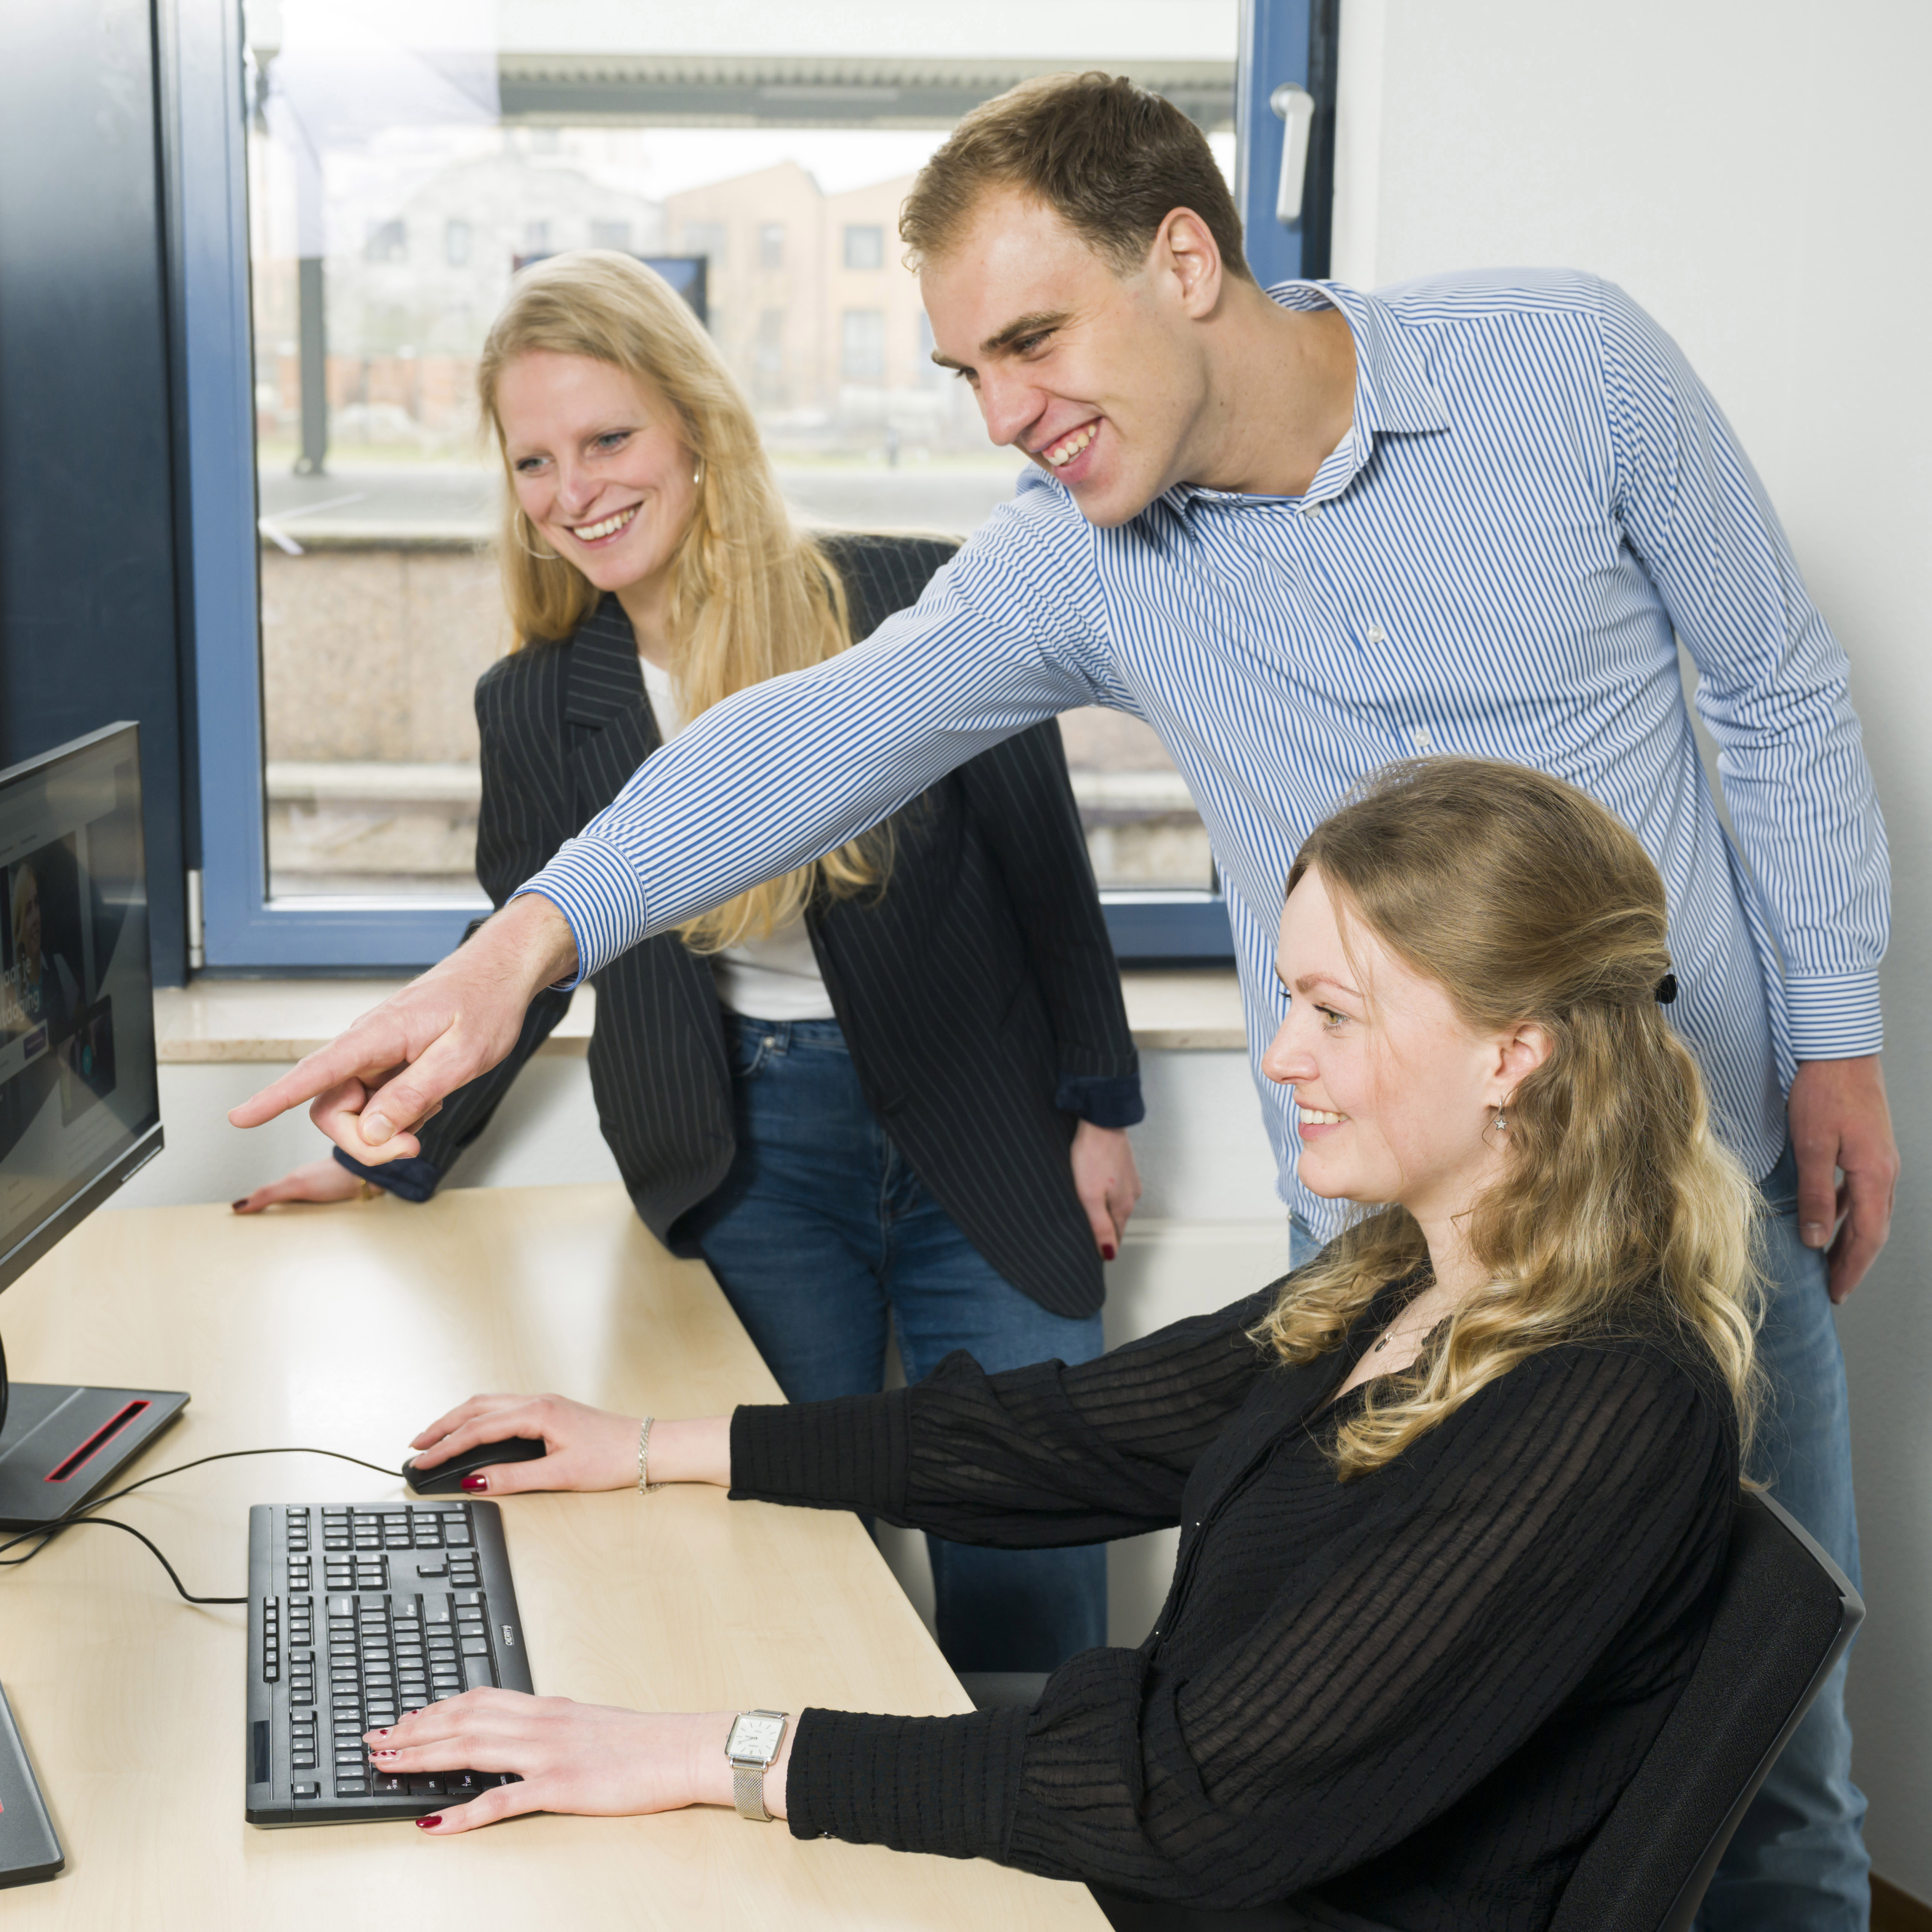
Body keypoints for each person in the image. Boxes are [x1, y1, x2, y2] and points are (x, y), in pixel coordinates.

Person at [231, 73, 1894, 1930]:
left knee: (1763, 1781)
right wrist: (518, 946)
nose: (1010, 414)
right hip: (1390, 1227)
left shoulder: (1569, 368)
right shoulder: (1070, 550)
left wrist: (1836, 1034)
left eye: (1032, 336)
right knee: (1379, 1778)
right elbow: (819, 738)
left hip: (1707, 1164)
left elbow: (1771, 684)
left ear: (1182, 256)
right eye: (965, 373)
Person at [364, 759, 1763, 1932]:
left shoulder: (1608, 1402)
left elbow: (1185, 1798)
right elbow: (1079, 1437)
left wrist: (700, 1753)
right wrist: (659, 1448)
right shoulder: (1413, 1270)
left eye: (1336, 1015)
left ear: (1514, 1053)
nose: (1281, 1059)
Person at [234, 251, 1146, 1676]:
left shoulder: (905, 598)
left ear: (697, 432)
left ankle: (1050, 1861)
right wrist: (391, 1145)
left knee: (1026, 1511)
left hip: (985, 1113)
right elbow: (516, 961)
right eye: (533, 458)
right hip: (750, 1146)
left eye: (609, 438)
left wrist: (1100, 1105)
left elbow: (1044, 860)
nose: (574, 489)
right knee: (787, 1531)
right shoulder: (536, 700)